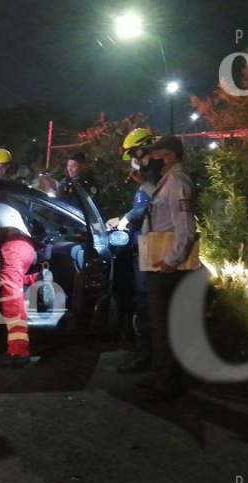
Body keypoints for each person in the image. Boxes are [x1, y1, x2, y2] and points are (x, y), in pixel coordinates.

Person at [135, 136, 200, 401]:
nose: (153, 157)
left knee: (165, 326)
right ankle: (163, 378)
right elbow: (163, 206)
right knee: (163, 325)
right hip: (160, 263)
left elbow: (186, 228)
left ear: (171, 155)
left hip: (167, 267)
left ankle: (167, 384)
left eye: (157, 152)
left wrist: (171, 261)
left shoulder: (178, 181)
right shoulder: (168, 181)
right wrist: (145, 185)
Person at [108, 128, 160, 374]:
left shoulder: (159, 176)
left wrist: (124, 219)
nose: (134, 159)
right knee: (141, 299)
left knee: (145, 301)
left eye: (134, 153)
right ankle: (145, 352)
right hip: (145, 243)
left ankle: (145, 356)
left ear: (144, 148)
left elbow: (149, 207)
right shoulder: (152, 176)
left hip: (152, 245)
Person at [0, 199, 53, 367]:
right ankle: (36, 278)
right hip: (25, 246)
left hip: (13, 245)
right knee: (10, 281)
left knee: (11, 296)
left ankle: (18, 351)